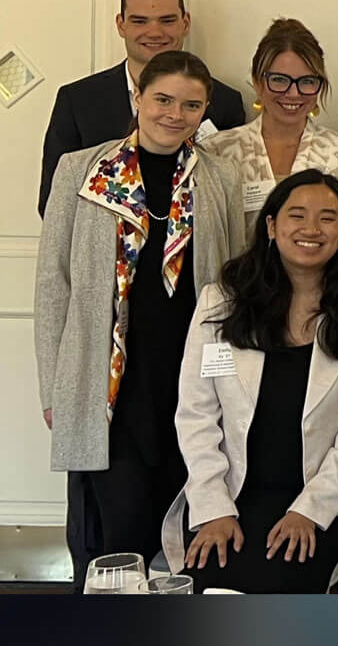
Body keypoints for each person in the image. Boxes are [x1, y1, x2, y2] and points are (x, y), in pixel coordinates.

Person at [35, 49, 246, 585]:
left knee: (186, 526)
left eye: (191, 105)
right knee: (121, 528)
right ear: (139, 98)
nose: (175, 114)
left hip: (189, 378)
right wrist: (53, 388)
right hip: (109, 381)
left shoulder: (218, 177)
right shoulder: (81, 170)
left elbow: (235, 284)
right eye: (164, 99)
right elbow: (53, 284)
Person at [164, 170, 338, 593]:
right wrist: (214, 507)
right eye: (297, 215)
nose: (311, 229)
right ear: (271, 225)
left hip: (326, 494)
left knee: (276, 583)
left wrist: (309, 511)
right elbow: (196, 413)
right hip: (234, 490)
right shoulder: (221, 303)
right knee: (213, 587)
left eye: (328, 218)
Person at [38, 0, 247, 216]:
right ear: (121, 25)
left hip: (192, 248)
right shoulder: (77, 100)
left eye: (167, 21)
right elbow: (53, 203)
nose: (154, 32)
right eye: (140, 21)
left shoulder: (226, 102)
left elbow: (229, 201)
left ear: (185, 23)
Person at [201, 18, 338, 264]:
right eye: (279, 79)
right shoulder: (218, 151)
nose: (293, 93)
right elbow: (206, 243)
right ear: (258, 81)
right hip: (239, 295)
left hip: (328, 297)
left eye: (307, 82)